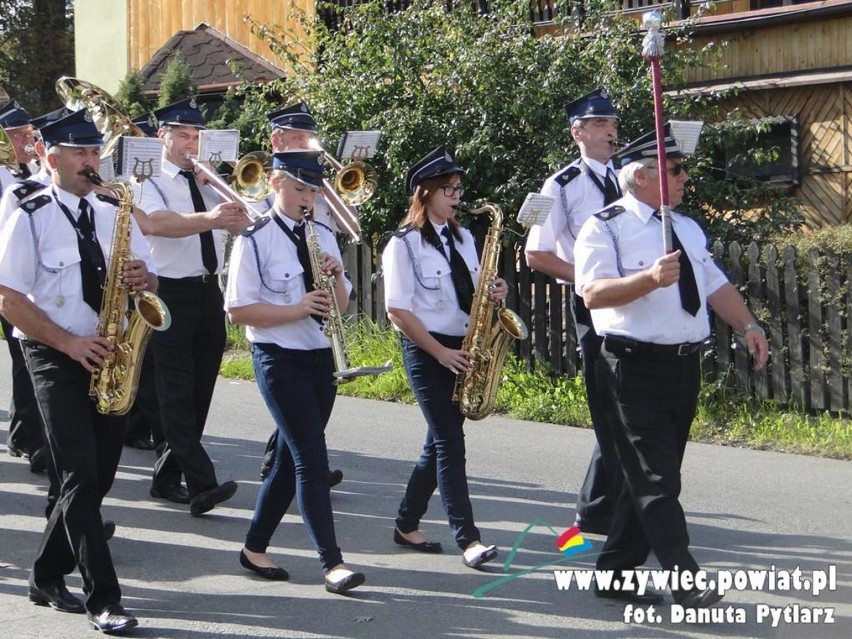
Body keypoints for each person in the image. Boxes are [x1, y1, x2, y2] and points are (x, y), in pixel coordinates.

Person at [574, 122, 770, 608]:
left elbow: (714, 285)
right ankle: (686, 579)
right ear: (641, 176)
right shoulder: (606, 226)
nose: (685, 179)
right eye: (676, 170)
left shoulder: (685, 227)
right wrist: (648, 279)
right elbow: (592, 292)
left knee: (659, 475)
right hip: (630, 366)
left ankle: (616, 570)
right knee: (654, 478)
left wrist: (749, 325)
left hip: (681, 366)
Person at [0, 108, 155, 633]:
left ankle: (45, 573)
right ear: (51, 156)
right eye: (81, 153)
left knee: (99, 475)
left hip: (108, 351)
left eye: (96, 153)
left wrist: (142, 275)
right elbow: (7, 296)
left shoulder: (113, 210)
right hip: (52, 353)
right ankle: (104, 599)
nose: (92, 164)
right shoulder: (29, 209)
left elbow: (147, 276)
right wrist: (67, 342)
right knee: (78, 475)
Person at [225, 150, 366, 593]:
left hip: (319, 356)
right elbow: (237, 311)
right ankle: (332, 563)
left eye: (312, 189)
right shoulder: (254, 237)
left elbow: (341, 306)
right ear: (275, 184)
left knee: (288, 462)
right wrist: (295, 308)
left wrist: (337, 276)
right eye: (298, 188)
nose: (306, 197)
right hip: (277, 357)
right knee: (311, 458)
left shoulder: (322, 232)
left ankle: (254, 546)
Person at [381, 146, 505, 569]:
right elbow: (398, 309)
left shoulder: (464, 238)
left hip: (462, 344)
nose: (456, 196)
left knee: (438, 442)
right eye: (447, 189)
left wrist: (495, 292)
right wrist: (440, 352)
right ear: (425, 193)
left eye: (458, 188)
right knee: (451, 440)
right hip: (426, 348)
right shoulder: (404, 244)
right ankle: (468, 538)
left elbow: (472, 289)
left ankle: (405, 522)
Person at [132, 97, 244, 514]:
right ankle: (202, 482)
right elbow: (155, 223)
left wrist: (226, 193)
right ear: (163, 136)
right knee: (176, 392)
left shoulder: (207, 179)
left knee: (200, 391)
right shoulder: (148, 177)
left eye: (196, 136)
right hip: (169, 293)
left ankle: (165, 477)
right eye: (182, 135)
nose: (190, 144)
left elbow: (245, 217)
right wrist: (212, 218)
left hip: (207, 290)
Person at [524, 88, 621, 536]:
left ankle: (607, 504)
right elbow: (537, 254)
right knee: (608, 402)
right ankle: (595, 508)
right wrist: (584, 280)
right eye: (601, 125)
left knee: (630, 401)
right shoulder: (557, 186)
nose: (611, 132)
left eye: (614, 124)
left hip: (634, 299)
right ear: (577, 132)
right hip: (591, 302)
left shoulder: (629, 176)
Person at [255, 101, 343, 488]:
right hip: (277, 337)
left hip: (316, 339)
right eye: (299, 138)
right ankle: (294, 468)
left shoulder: (313, 203)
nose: (308, 144)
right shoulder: (264, 182)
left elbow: (344, 224)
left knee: (301, 434)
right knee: (301, 435)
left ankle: (288, 467)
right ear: (278, 140)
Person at [0, 98, 48, 472]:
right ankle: (27, 435)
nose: (26, 142)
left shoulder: (33, 169)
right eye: (18, 135)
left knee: (25, 356)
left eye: (29, 134)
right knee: (23, 355)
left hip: (38, 275)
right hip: (9, 276)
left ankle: (24, 431)